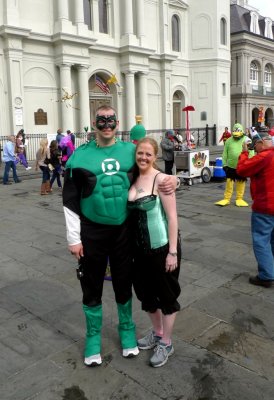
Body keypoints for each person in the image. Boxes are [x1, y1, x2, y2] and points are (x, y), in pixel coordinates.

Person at [62, 105, 177, 367]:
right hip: (92, 230)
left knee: (124, 282)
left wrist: (174, 180)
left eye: (110, 120)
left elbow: (153, 173)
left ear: (117, 121)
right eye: (101, 120)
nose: (106, 124)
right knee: (91, 284)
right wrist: (73, 238)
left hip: (124, 230)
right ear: (94, 123)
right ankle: (93, 336)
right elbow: (69, 200)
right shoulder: (78, 158)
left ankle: (127, 329)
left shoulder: (130, 152)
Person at [128, 137, 181, 368]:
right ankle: (157, 333)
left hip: (161, 248)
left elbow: (172, 218)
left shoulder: (162, 180)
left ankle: (167, 343)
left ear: (155, 156)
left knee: (166, 296)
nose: (143, 157)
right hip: (138, 252)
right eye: (140, 153)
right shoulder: (132, 177)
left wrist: (172, 252)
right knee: (146, 295)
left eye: (148, 154)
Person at [237, 129, 274, 288]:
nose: (254, 147)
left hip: (265, 206)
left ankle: (266, 275)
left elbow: (242, 169)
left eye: (255, 144)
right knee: (272, 240)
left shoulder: (265, 156)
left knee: (261, 240)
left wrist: (244, 153)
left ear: (261, 143)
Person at [215, 123, 249, 207]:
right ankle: (227, 198)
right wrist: (224, 164)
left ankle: (239, 198)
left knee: (241, 182)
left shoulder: (246, 139)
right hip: (230, 166)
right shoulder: (229, 140)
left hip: (241, 166)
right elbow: (224, 154)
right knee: (229, 182)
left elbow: (250, 152)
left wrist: (248, 163)